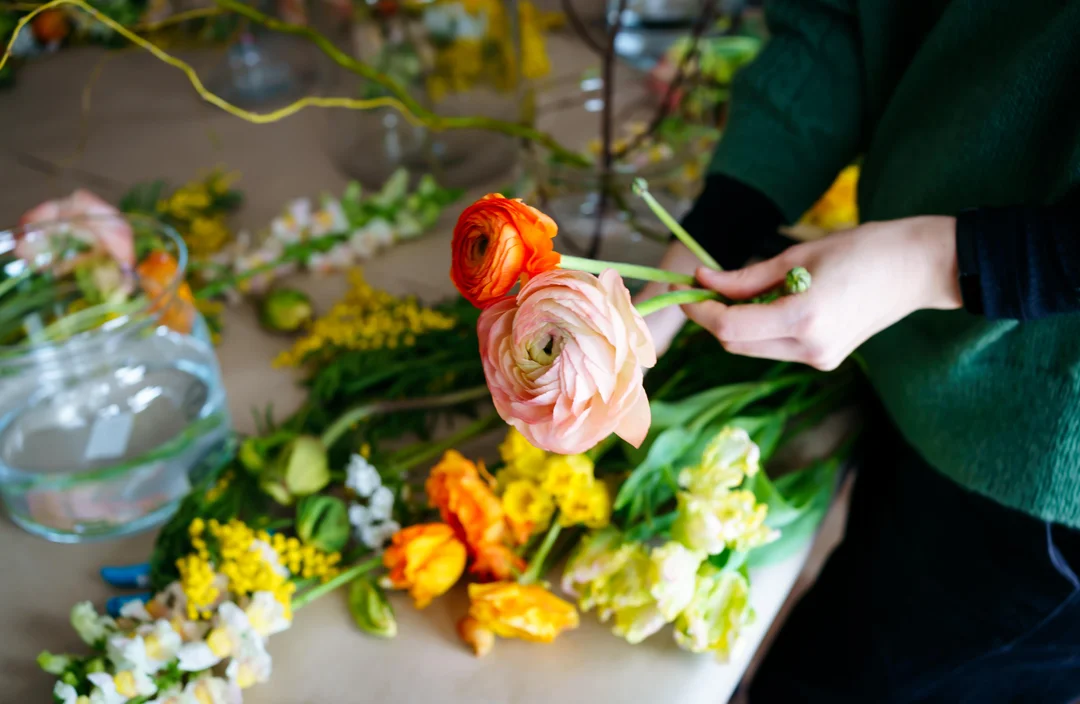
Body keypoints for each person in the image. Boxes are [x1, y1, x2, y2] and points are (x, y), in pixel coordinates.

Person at [637, 1, 1080, 701]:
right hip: (916, 375)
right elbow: (842, 19)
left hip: (1046, 467)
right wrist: (699, 249)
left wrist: (930, 262)